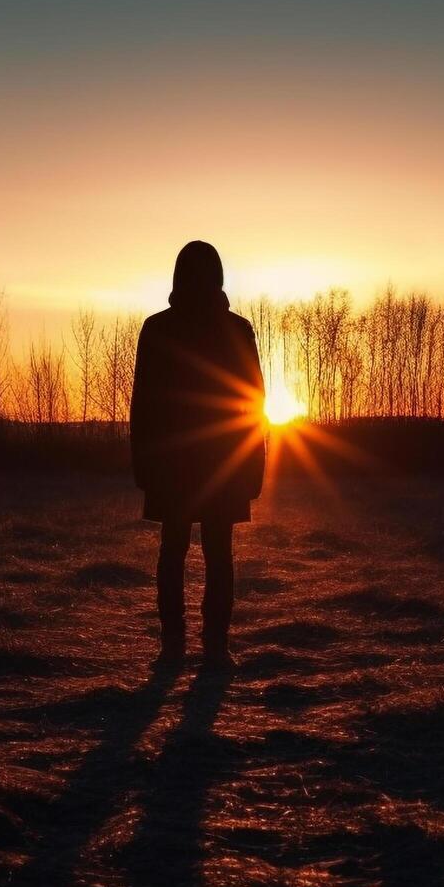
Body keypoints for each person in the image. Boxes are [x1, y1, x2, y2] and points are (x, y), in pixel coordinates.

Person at [130, 241, 265, 671]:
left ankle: (183, 643)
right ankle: (210, 645)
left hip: (179, 462)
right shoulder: (235, 329)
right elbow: (255, 403)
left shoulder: (159, 328)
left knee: (177, 550)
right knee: (213, 552)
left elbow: (143, 405)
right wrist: (254, 464)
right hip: (216, 462)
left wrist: (144, 462)